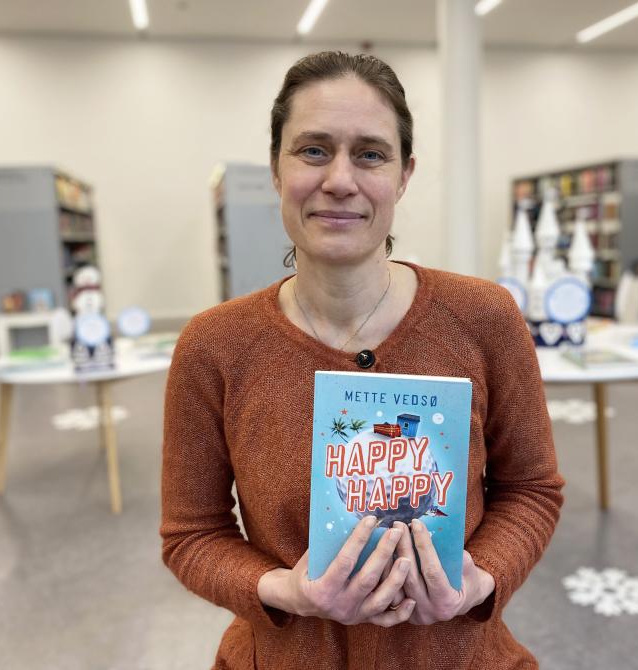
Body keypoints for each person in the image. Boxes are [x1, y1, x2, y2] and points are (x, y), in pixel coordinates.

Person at [161, 51, 564, 669]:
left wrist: (482, 578)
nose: (340, 180)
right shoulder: (215, 346)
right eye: (313, 150)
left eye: (370, 154)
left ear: (404, 175)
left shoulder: (484, 318)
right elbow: (191, 536)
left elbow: (530, 490)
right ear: (276, 169)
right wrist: (283, 591)